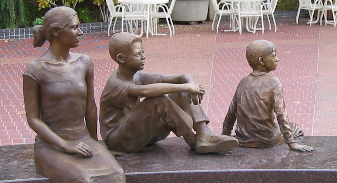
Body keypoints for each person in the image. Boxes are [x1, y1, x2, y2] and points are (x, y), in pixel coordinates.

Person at [23, 7, 129, 183]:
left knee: (116, 178)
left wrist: (96, 141)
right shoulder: (35, 70)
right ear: (57, 32)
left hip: (82, 139)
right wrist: (65, 145)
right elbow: (33, 119)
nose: (81, 32)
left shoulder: (84, 62)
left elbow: (90, 107)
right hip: (52, 146)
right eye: (75, 27)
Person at [100, 32, 238, 154]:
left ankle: (203, 134)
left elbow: (181, 77)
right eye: (137, 54)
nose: (143, 57)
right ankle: (192, 139)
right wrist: (187, 87)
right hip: (121, 140)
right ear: (121, 58)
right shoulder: (116, 84)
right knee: (158, 100)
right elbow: (145, 91)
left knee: (180, 90)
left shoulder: (137, 76)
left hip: (141, 134)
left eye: (143, 52)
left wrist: (190, 83)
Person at [222, 40, 314, 152]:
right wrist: (291, 142)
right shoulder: (274, 83)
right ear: (261, 61)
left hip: (244, 138)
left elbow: (231, 112)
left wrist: (225, 136)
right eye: (273, 56)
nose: (277, 59)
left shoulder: (243, 82)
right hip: (267, 139)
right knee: (295, 128)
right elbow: (281, 114)